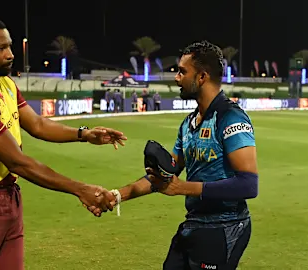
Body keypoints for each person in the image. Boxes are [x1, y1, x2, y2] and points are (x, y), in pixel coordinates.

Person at [0, 15, 126, 270]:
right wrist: (80, 189)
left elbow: (37, 125)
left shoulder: (4, 83)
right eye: (0, 48)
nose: (10, 54)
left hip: (9, 198)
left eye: (9, 46)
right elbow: (19, 162)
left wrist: (84, 133)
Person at [110, 41, 258, 270]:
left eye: (182, 71)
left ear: (202, 77)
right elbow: (167, 174)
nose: (176, 78)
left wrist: (183, 188)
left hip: (225, 226)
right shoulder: (188, 124)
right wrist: (118, 195)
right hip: (195, 224)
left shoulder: (231, 118)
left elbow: (249, 185)